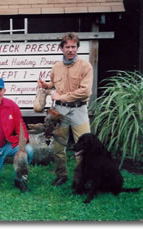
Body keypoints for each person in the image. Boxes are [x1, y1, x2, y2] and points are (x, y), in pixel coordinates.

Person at [38, 32, 93, 186]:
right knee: (59, 146)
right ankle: (61, 175)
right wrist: (46, 85)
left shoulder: (85, 66)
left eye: (73, 47)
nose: (70, 50)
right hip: (59, 111)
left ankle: (81, 179)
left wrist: (61, 97)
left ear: (77, 48)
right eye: (67, 47)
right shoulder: (56, 66)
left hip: (79, 110)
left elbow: (85, 91)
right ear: (62, 48)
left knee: (84, 147)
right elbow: (54, 84)